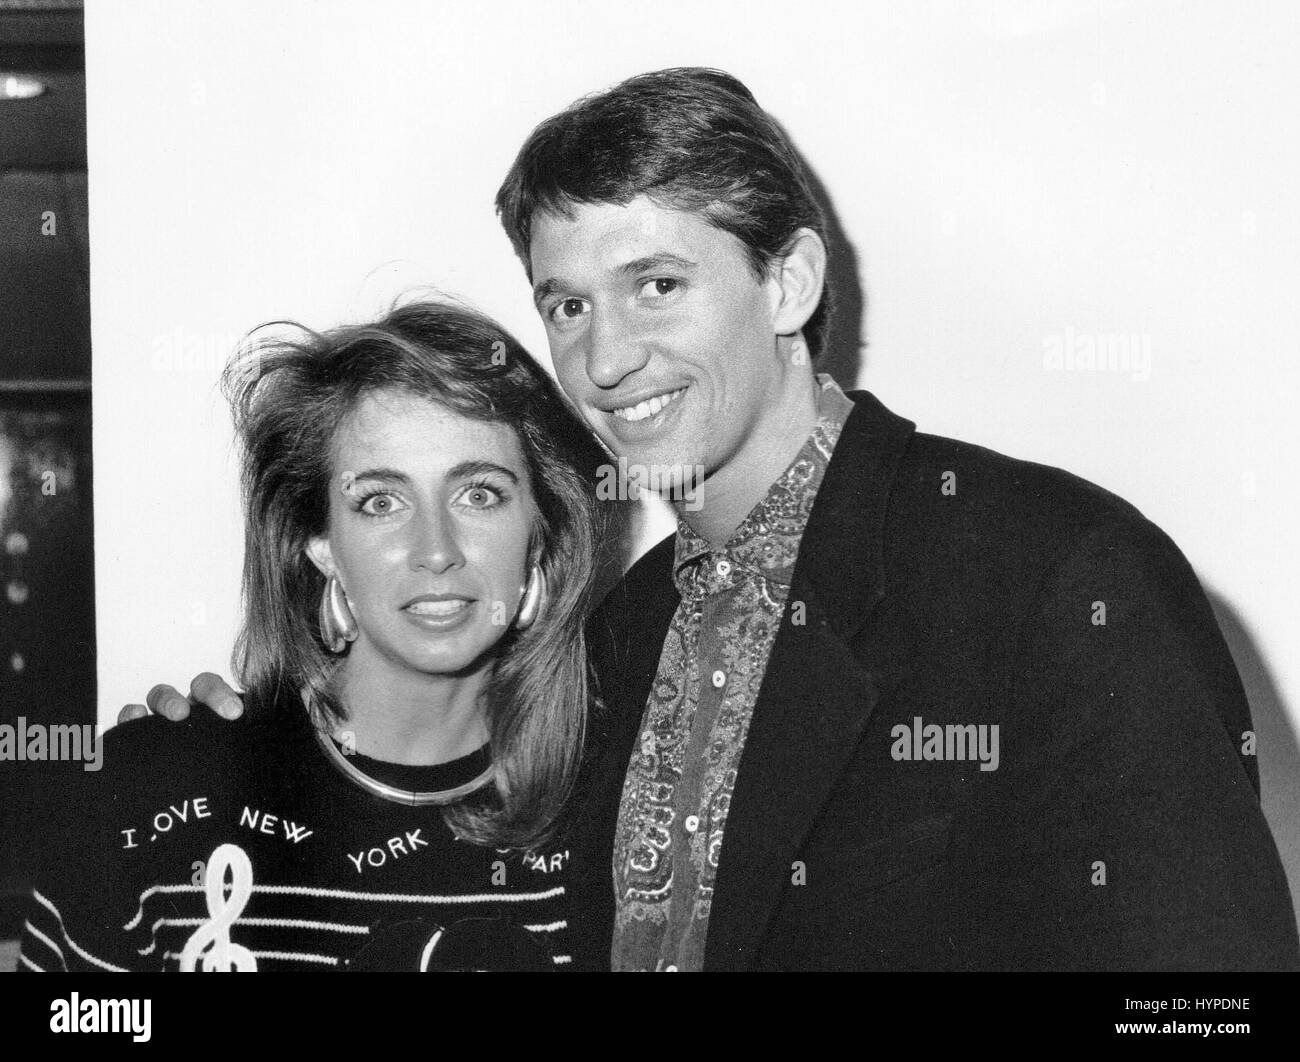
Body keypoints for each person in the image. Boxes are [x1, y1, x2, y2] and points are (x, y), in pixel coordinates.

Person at [130, 68, 1300, 971]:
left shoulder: (1051, 573)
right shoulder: (611, 640)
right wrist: (227, 754)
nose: (603, 357)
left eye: (657, 285)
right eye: (567, 304)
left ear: (786, 284)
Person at [20, 299, 609, 971]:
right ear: (321, 544)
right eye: (380, 501)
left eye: (479, 494)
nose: (436, 550)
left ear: (542, 530)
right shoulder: (149, 793)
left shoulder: (618, 806)